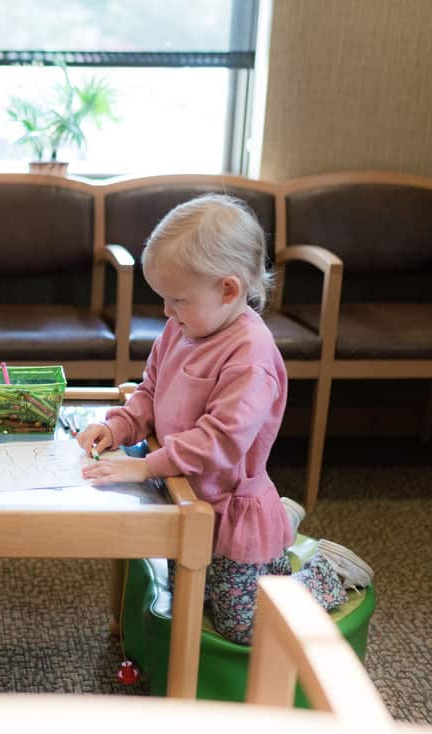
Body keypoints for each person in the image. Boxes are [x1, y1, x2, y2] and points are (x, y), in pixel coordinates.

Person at [77, 195, 372, 644]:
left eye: (177, 299)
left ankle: (327, 571)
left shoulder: (250, 356)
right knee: (189, 600)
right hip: (191, 500)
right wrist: (119, 425)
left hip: (232, 509)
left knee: (241, 625)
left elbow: (220, 442)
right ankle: (280, 533)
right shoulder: (183, 327)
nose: (165, 312)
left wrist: (145, 465)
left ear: (229, 290)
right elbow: (150, 391)